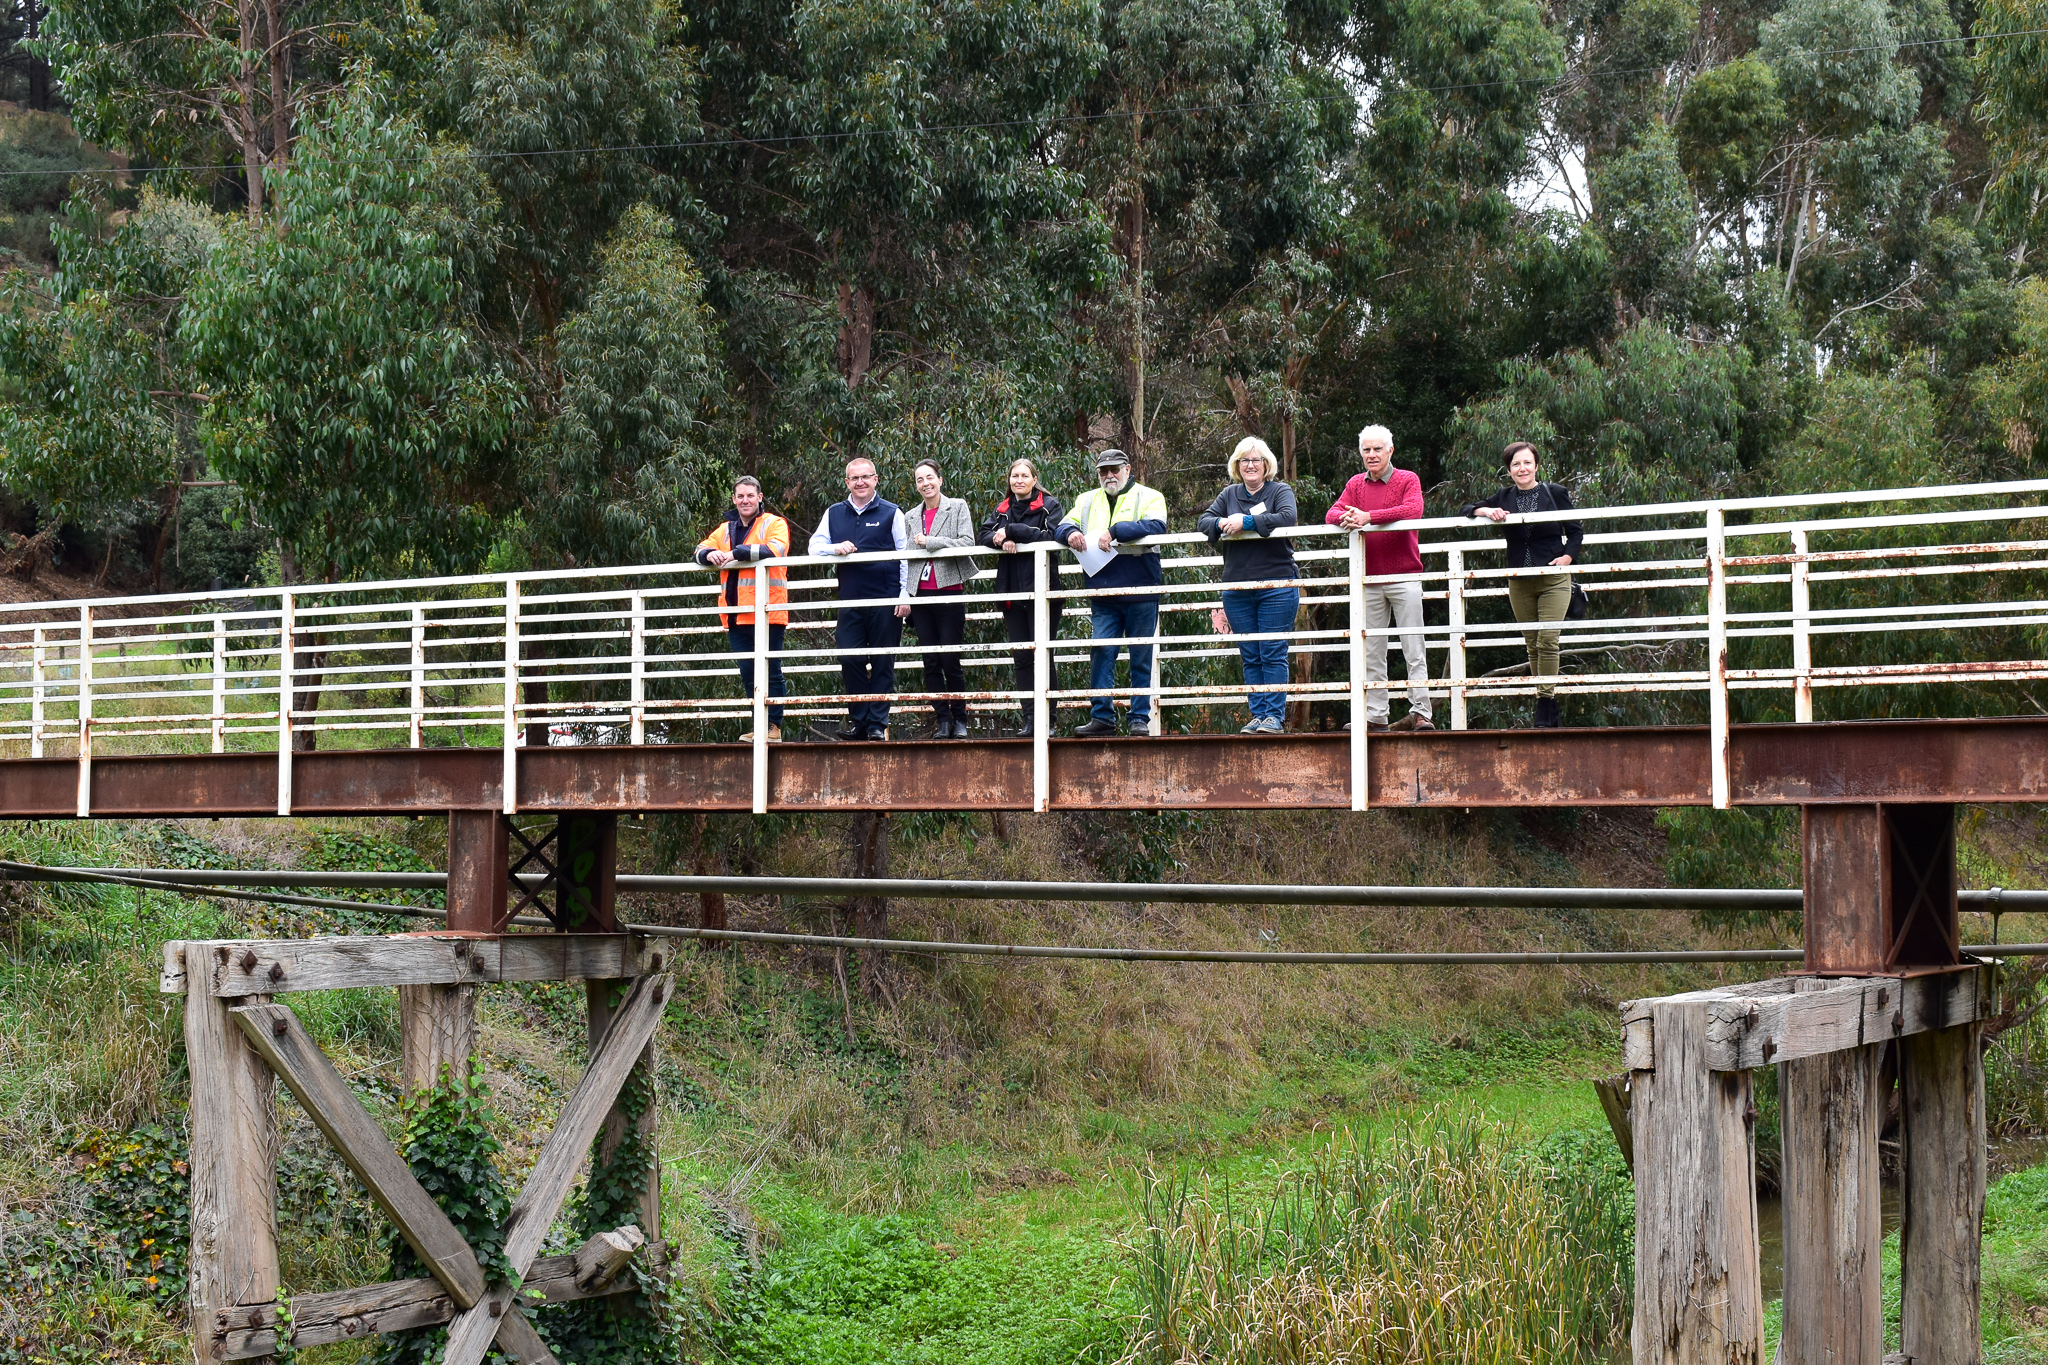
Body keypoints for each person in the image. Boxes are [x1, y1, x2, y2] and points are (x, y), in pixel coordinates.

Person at [1461, 441, 1583, 728]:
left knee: (1547, 640)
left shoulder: (1555, 493)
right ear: (1509, 470)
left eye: (1527, 462)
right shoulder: (1503, 497)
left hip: (1552, 577)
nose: (1522, 468)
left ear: (1536, 465)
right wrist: (1486, 512)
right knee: (1532, 644)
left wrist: (1568, 557)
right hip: (1519, 579)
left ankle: (1544, 700)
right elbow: (1464, 509)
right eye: (1516, 464)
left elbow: (1576, 531)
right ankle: (1549, 707)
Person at [1325, 424, 1433, 732]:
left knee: (1414, 646)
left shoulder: (1406, 479)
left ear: (1390, 451)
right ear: (1360, 453)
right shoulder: (1356, 485)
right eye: (1366, 450)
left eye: (1377, 449)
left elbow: (1414, 509)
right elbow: (1331, 513)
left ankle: (1421, 712)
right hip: (1368, 578)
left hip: (1404, 575)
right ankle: (1375, 715)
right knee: (1371, 649)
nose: (1371, 455)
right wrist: (1347, 517)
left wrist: (1368, 518)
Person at [1057, 449, 1168, 737]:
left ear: (1127, 469)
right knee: (1101, 652)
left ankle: (1139, 718)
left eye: (1115, 469)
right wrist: (1070, 534)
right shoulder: (1086, 500)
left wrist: (1115, 530)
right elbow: (1061, 526)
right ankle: (1102, 717)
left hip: (1140, 588)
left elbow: (1157, 526)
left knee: (1140, 655)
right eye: (1103, 471)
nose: (1109, 475)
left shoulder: (1149, 496)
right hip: (1103, 592)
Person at [1199, 436, 1299, 734]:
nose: (1251, 465)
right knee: (1250, 653)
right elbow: (1205, 521)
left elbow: (1288, 517)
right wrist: (1221, 524)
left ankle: (1273, 717)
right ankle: (1257, 715)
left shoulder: (1279, 490)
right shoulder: (1229, 494)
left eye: (1256, 460)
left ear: (1266, 464)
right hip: (1237, 588)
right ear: (1237, 466)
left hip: (1276, 584)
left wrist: (1247, 522)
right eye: (1245, 460)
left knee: (1272, 651)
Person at [808, 457, 911, 740]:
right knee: (849, 657)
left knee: (882, 662)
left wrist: (905, 594)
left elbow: (906, 556)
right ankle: (860, 721)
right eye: (854, 478)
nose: (860, 482)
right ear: (847, 482)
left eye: (866, 477)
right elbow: (814, 547)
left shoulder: (893, 512)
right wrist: (835, 548)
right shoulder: (834, 513)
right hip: (850, 600)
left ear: (876, 479)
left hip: (885, 599)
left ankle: (877, 724)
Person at [696, 476, 791, 741]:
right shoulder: (725, 528)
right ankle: (759, 725)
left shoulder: (774, 523)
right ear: (734, 499)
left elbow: (776, 549)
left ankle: (774, 727)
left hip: (768, 612)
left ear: (760, 497)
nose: (745, 500)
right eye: (740, 496)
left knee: (770, 671)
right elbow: (700, 549)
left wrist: (735, 554)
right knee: (749, 673)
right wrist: (708, 556)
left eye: (750, 495)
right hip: (736, 614)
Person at [977, 457, 1067, 736]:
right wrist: (999, 539)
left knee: (1043, 655)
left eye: (1024, 476)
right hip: (1011, 592)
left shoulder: (1049, 506)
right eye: (1014, 476)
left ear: (1034, 478)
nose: (1019, 480)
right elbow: (982, 534)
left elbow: (1052, 537)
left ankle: (1048, 720)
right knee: (1022, 658)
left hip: (1044, 591)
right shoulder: (1002, 509)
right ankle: (1030, 719)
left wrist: (1013, 532)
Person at [907, 459, 978, 737]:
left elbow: (967, 543)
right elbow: (906, 556)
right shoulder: (910, 516)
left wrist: (931, 542)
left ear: (940, 479)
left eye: (929, 478)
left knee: (950, 658)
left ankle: (960, 718)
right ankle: (943, 719)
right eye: (919, 480)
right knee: (931, 661)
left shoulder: (957, 506)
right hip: (921, 596)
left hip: (949, 591)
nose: (925, 484)